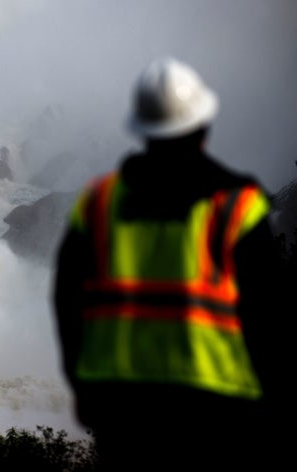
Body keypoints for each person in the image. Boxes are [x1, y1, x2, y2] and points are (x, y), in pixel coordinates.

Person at [54, 57, 289, 471]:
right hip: (220, 409)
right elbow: (270, 315)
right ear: (204, 125)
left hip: (125, 414)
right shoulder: (240, 206)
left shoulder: (99, 203)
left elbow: (67, 303)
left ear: (141, 129)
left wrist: (84, 389)